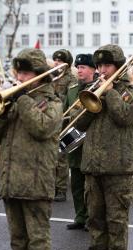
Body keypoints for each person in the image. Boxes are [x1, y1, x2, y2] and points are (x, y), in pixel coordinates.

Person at [0, 48, 62, 250]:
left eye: (26, 74)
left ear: (39, 74)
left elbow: (42, 128)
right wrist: (0, 112)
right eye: (20, 73)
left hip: (36, 182)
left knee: (38, 242)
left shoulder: (51, 101)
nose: (21, 78)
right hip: (11, 182)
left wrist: (23, 99)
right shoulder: (14, 101)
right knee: (17, 240)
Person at [76, 45, 133, 250]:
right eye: (100, 66)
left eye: (107, 65)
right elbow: (80, 125)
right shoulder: (91, 89)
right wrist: (92, 99)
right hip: (93, 164)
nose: (102, 70)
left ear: (119, 67)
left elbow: (124, 116)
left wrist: (110, 92)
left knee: (116, 217)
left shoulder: (131, 92)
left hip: (118, 166)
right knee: (95, 216)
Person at [63, 53, 97, 230]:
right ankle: (80, 216)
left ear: (93, 69)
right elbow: (65, 114)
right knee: (76, 182)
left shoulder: (99, 88)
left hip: (92, 141)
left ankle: (92, 217)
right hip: (74, 141)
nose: (79, 70)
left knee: (91, 185)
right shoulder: (72, 89)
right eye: (78, 67)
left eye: (83, 67)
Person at [52, 49, 78, 202]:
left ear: (67, 64)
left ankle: (60, 189)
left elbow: (71, 101)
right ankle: (50, 186)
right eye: (55, 59)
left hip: (64, 121)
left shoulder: (71, 79)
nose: (56, 62)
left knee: (61, 157)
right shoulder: (50, 77)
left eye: (60, 61)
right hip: (50, 120)